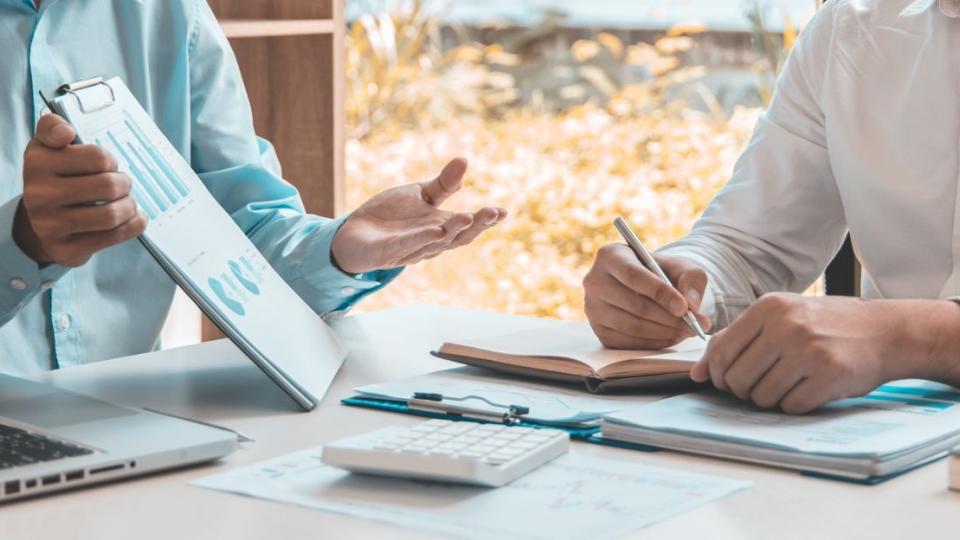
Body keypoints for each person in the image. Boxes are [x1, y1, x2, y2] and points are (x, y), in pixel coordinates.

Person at [0, 0, 505, 374]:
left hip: (124, 418)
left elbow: (238, 235)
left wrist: (337, 250)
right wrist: (22, 244)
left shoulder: (172, 13)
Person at [583, 0, 960, 414]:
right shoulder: (852, 27)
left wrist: (904, 337)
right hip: (886, 433)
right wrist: (672, 289)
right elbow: (749, 247)